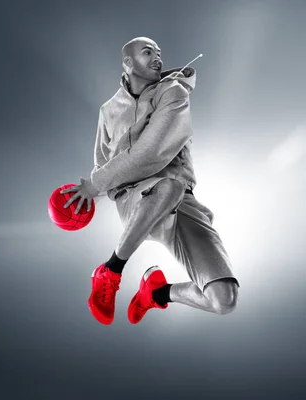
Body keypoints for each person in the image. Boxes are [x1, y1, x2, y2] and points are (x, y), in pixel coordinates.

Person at [60, 37, 239, 325]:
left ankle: (156, 293)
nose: (157, 58)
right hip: (135, 198)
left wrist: (94, 184)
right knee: (168, 184)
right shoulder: (108, 111)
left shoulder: (174, 93)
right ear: (127, 62)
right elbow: (102, 163)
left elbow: (151, 152)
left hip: (182, 200)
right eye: (148, 52)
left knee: (223, 299)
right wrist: (92, 190)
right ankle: (112, 271)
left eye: (159, 53)